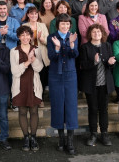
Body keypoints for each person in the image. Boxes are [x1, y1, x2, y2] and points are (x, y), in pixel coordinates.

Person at [47, 13, 79, 155]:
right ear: (58, 24)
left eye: (67, 24)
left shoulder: (73, 36)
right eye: (62, 24)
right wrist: (58, 47)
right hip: (56, 75)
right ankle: (61, 138)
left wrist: (71, 44)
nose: (65, 26)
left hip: (70, 75)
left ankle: (70, 140)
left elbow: (74, 55)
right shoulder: (51, 37)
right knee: (58, 105)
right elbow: (52, 57)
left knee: (71, 105)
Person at [79, 24, 116, 146]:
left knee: (104, 110)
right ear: (90, 34)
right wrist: (94, 62)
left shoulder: (107, 46)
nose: (96, 34)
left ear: (102, 34)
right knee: (93, 109)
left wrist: (111, 63)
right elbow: (83, 66)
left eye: (99, 32)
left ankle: (104, 134)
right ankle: (93, 134)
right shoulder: (85, 47)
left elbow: (111, 65)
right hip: (91, 84)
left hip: (105, 83)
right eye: (94, 32)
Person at [10, 25, 43, 151]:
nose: (25, 37)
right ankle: (25, 137)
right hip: (20, 85)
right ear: (18, 37)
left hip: (33, 84)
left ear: (30, 37)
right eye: (22, 35)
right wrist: (28, 62)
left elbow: (39, 68)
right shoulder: (13, 51)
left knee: (34, 111)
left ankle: (33, 138)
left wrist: (33, 59)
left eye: (27, 35)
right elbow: (15, 72)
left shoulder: (37, 49)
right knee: (22, 112)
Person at [23, 7, 50, 108]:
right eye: (31, 14)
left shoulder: (42, 25)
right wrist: (32, 39)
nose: (34, 16)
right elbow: (21, 41)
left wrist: (41, 39)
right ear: (28, 15)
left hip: (41, 53)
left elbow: (48, 41)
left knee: (42, 77)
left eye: (35, 14)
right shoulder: (24, 26)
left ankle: (40, 99)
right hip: (29, 53)